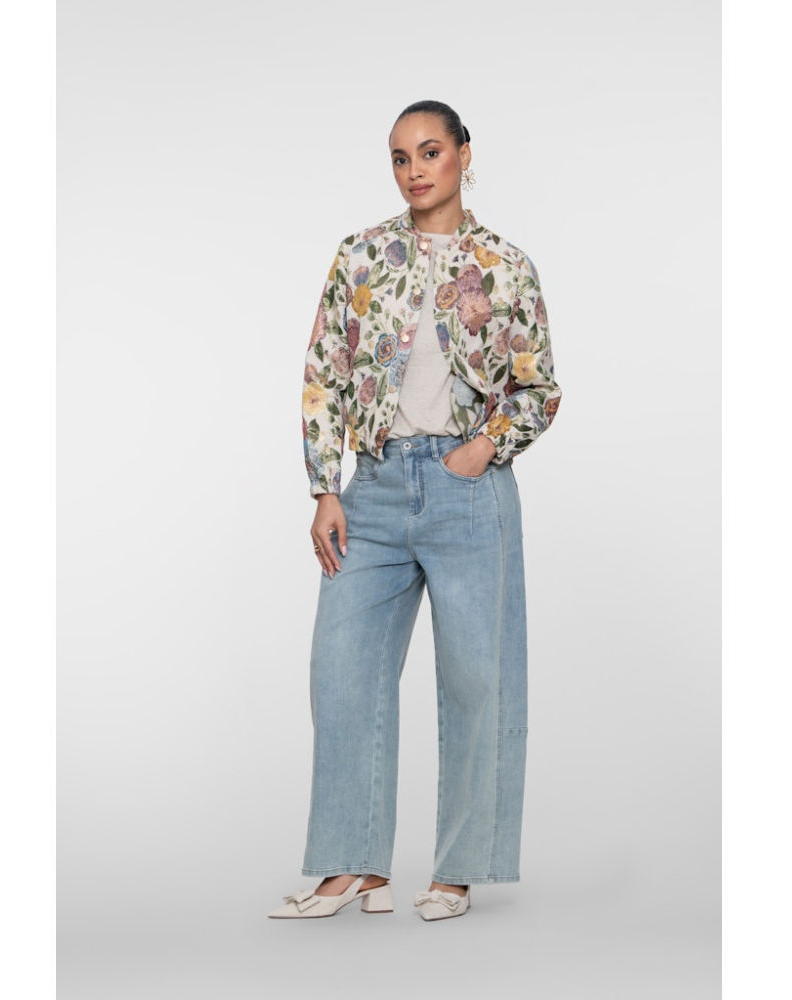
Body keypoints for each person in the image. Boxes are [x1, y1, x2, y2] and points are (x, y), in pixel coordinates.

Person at [268, 100, 562, 921]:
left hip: (469, 489)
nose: (414, 170)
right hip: (375, 487)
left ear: (465, 153)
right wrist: (326, 485)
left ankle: (457, 870)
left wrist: (484, 446)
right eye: (400, 157)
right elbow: (324, 373)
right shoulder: (361, 256)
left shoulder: (505, 266)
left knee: (476, 678)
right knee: (342, 670)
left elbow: (540, 388)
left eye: (430, 152)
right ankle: (352, 866)